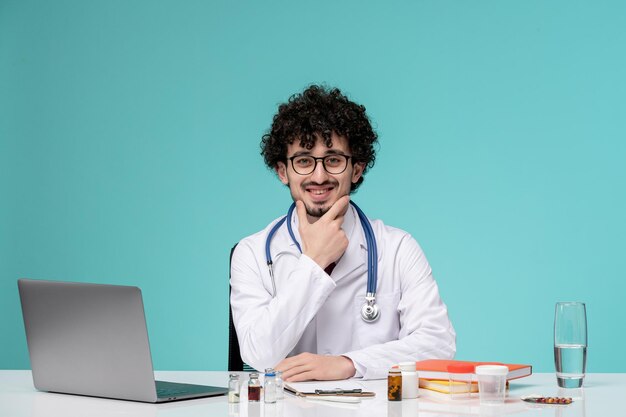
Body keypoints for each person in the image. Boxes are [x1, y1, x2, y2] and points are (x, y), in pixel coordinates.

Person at [230, 85, 455, 381]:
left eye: (334, 159)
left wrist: (349, 364)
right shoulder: (253, 253)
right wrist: (313, 262)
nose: (319, 176)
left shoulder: (398, 248)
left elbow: (438, 345)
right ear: (283, 171)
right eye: (303, 160)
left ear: (357, 169)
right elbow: (260, 355)